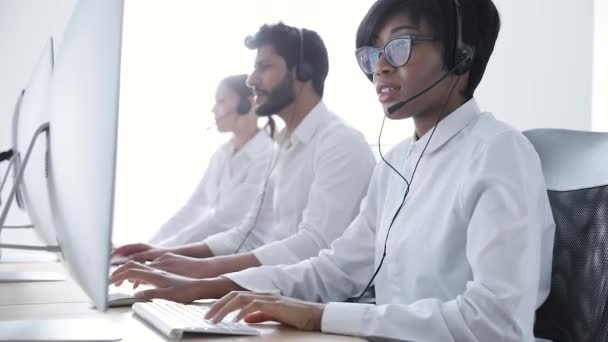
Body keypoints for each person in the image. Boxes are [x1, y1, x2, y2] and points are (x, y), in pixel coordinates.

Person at [113, 0, 557, 340]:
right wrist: (208, 286)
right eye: (372, 53)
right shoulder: (398, 161)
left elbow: (496, 323)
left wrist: (319, 314)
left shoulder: (499, 153)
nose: (379, 65)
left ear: (462, 56)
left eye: (399, 46)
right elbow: (335, 269)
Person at [111, 24, 376, 280]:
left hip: (322, 305)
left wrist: (204, 273)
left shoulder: (340, 144)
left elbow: (314, 244)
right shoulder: (284, 145)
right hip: (277, 292)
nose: (251, 80)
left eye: (265, 67)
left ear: (302, 72)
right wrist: (163, 254)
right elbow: (250, 233)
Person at [119, 74, 276, 248]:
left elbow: (223, 221)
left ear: (248, 103)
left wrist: (160, 250)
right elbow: (193, 208)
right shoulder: (221, 154)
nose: (214, 109)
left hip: (237, 258)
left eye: (221, 101)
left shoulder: (267, 156)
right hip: (208, 254)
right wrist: (148, 245)